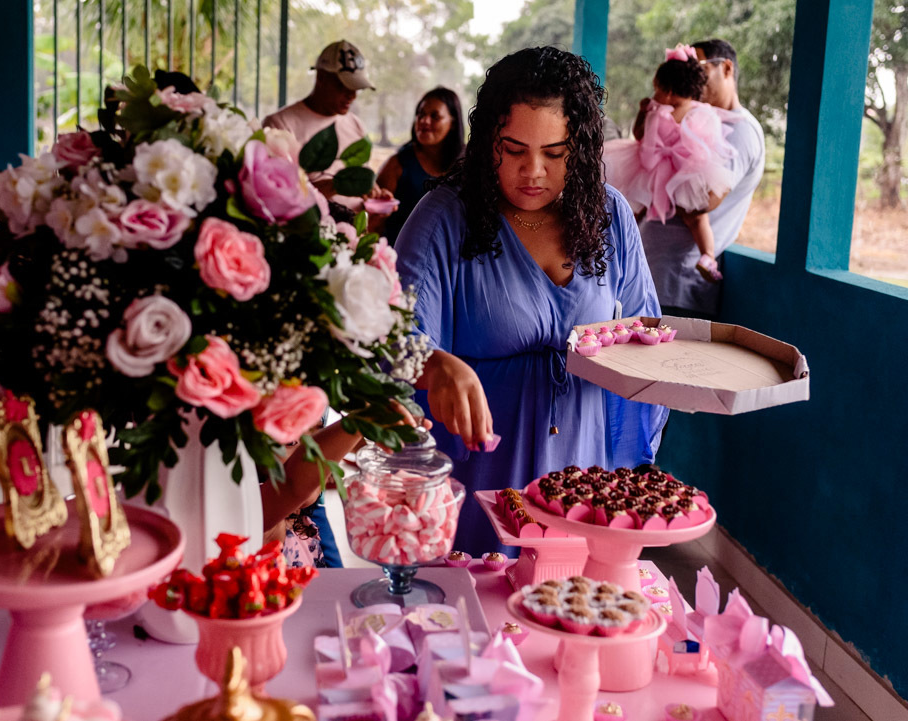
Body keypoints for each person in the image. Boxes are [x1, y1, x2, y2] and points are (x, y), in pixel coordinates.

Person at [394, 47, 668, 555]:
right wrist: (434, 364)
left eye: (555, 153)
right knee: (481, 594)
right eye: (514, 150)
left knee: (574, 596)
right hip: (480, 477)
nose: (533, 170)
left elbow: (643, 337)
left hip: (584, 476)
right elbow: (393, 343)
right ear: (487, 141)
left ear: (580, 147)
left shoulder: (609, 217)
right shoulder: (443, 219)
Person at [638, 38, 766, 318]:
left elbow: (701, 200)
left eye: (700, 68)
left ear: (727, 68)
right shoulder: (696, 117)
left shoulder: (740, 130)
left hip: (677, 282)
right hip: (653, 275)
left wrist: (661, 174)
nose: (692, 76)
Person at [604, 45, 736, 283]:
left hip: (660, 172)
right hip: (682, 171)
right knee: (694, 218)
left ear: (668, 91)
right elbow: (709, 142)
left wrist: (644, 114)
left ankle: (616, 249)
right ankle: (707, 256)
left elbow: (645, 147)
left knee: (636, 209)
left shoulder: (662, 113)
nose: (654, 94)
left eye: (657, 89)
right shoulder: (700, 110)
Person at [261, 406, 429, 568]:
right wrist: (360, 421)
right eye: (290, 442)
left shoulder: (301, 521)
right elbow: (294, 483)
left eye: (318, 434)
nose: (311, 448)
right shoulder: (260, 514)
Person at [263, 40, 393, 220]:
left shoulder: (355, 125)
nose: (352, 95)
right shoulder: (279, 126)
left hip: (355, 232)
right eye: (344, 86)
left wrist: (375, 199)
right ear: (321, 78)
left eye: (356, 88)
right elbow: (279, 198)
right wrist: (337, 185)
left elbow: (361, 190)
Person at [377, 87, 465, 240]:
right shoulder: (397, 164)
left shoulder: (468, 164)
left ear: (453, 122)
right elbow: (375, 222)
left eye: (435, 116)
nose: (424, 121)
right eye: (421, 114)